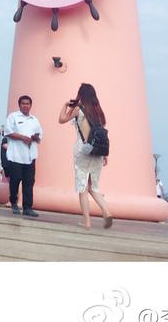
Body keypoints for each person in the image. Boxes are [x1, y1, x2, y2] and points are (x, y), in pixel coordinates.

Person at [58, 84, 114, 229]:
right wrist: (104, 155)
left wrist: (65, 105)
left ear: (81, 94)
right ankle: (106, 211)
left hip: (82, 150)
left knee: (82, 187)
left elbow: (61, 119)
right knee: (93, 187)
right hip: (97, 152)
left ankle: (87, 222)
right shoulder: (98, 112)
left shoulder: (78, 109)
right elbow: (100, 133)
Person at [3, 95, 42, 218]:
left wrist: (35, 137)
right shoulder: (13, 117)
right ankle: (14, 203)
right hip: (16, 155)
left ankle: (28, 207)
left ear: (31, 105)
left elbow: (39, 136)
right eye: (23, 103)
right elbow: (8, 132)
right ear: (19, 105)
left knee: (29, 182)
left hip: (30, 156)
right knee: (15, 180)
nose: (25, 105)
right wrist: (23, 138)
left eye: (28, 103)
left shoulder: (34, 120)